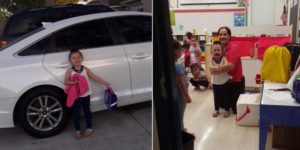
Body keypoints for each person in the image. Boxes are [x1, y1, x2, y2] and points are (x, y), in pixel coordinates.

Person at [64, 49, 110, 139]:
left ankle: (89, 128)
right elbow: (66, 81)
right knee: (76, 113)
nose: (77, 59)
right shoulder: (70, 70)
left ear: (82, 58)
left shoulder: (85, 69)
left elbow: (94, 76)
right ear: (70, 61)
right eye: (74, 58)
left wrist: (104, 83)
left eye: (78, 57)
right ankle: (77, 130)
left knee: (87, 111)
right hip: (76, 96)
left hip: (86, 94)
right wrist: (74, 82)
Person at [210, 27, 244, 114]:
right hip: (223, 81)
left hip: (235, 82)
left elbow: (230, 66)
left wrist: (215, 70)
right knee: (222, 104)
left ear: (229, 36)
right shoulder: (220, 49)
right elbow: (211, 66)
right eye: (220, 34)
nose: (222, 36)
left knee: (236, 110)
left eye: (225, 34)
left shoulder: (233, 47)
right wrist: (213, 70)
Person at [173, 40, 192, 130]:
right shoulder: (177, 65)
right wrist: (187, 96)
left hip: (176, 92)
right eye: (180, 50)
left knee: (178, 112)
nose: (181, 52)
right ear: (176, 51)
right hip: (181, 93)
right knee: (180, 112)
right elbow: (181, 83)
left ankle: (181, 128)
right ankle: (181, 131)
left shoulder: (172, 63)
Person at [209, 41, 231, 118]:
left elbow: (227, 64)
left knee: (225, 96)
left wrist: (221, 66)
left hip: (224, 81)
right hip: (215, 82)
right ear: (211, 52)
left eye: (218, 50)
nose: (216, 51)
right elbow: (210, 67)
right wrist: (215, 67)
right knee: (216, 97)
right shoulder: (211, 60)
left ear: (222, 52)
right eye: (214, 50)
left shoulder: (224, 58)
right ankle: (216, 110)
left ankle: (227, 110)